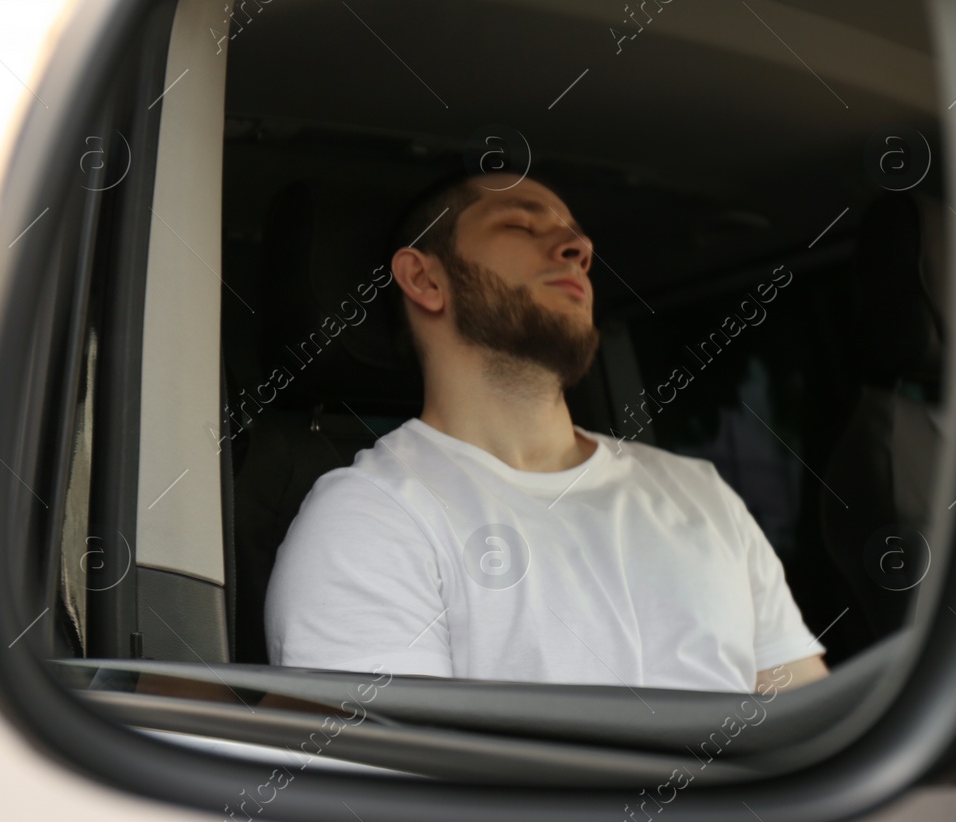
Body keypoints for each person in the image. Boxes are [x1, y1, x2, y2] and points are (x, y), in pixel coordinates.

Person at [264, 172, 829, 693]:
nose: (579, 251)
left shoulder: (700, 493)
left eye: (578, 241)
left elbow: (804, 718)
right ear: (424, 279)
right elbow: (391, 788)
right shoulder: (373, 517)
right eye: (520, 224)